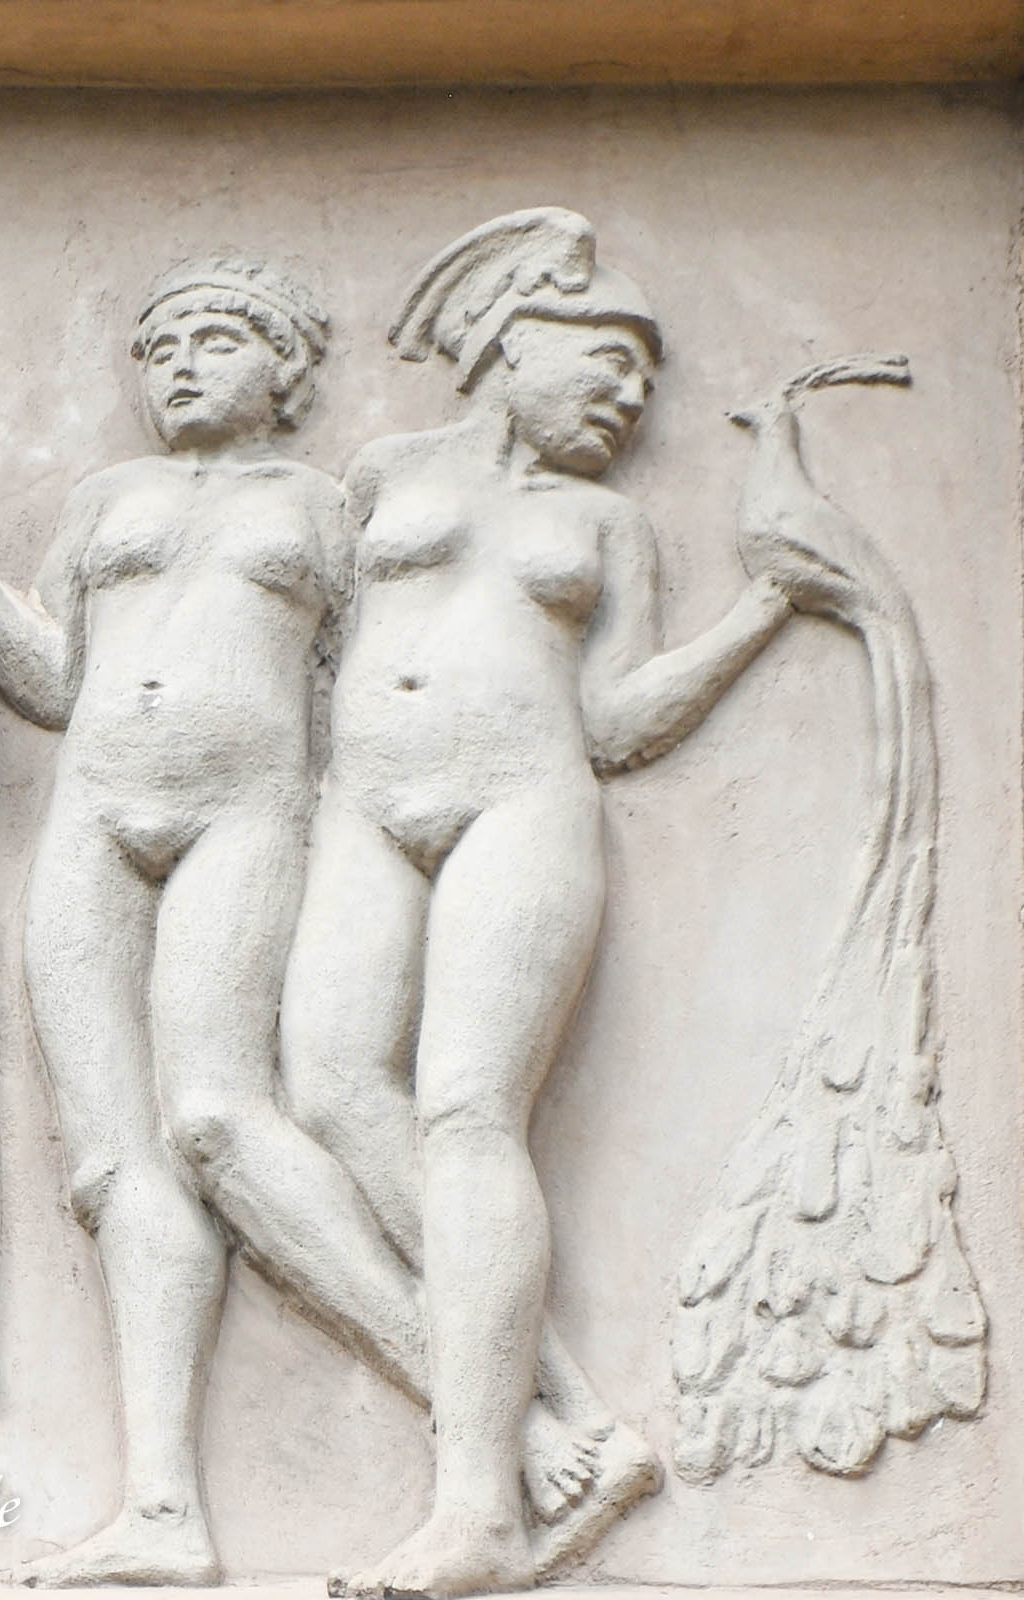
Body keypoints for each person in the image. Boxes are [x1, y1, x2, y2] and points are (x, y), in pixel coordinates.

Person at [0, 260, 621, 1588]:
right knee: (115, 1162)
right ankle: (162, 1506)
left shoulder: (334, 504)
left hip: (248, 815)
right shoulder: (107, 498)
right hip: (91, 814)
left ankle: (512, 1406)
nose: (182, 363)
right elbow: (52, 677)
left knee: (216, 1117)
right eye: (160, 345)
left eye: (218, 338)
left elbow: (368, 679)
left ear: (285, 371)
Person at [278, 208, 848, 1597]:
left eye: (644, 378)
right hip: (364, 807)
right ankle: (569, 1414)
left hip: (520, 807)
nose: (629, 394)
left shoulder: (606, 522)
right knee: (332, 1088)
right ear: (509, 343)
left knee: (466, 1110)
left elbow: (615, 717)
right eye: (606, 360)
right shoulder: (381, 472)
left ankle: (477, 1503)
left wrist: (760, 613)